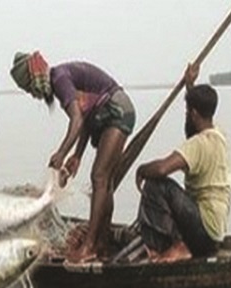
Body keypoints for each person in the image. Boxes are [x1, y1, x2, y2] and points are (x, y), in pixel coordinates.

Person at [10, 52, 136, 263]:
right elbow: (86, 117)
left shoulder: (59, 79)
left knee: (99, 178)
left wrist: (61, 153)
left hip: (118, 111)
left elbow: (77, 121)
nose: (33, 94)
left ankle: (88, 246)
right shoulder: (62, 80)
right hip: (110, 113)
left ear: (35, 79)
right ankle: (102, 243)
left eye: (30, 88)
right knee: (107, 182)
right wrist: (76, 156)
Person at [135, 64, 231, 262]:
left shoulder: (199, 143)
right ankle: (171, 245)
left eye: (188, 112)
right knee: (163, 186)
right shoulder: (219, 136)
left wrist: (142, 170)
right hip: (214, 234)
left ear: (194, 114)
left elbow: (162, 168)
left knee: (155, 183)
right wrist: (190, 86)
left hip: (203, 232)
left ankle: (178, 245)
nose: (186, 115)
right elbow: (198, 114)